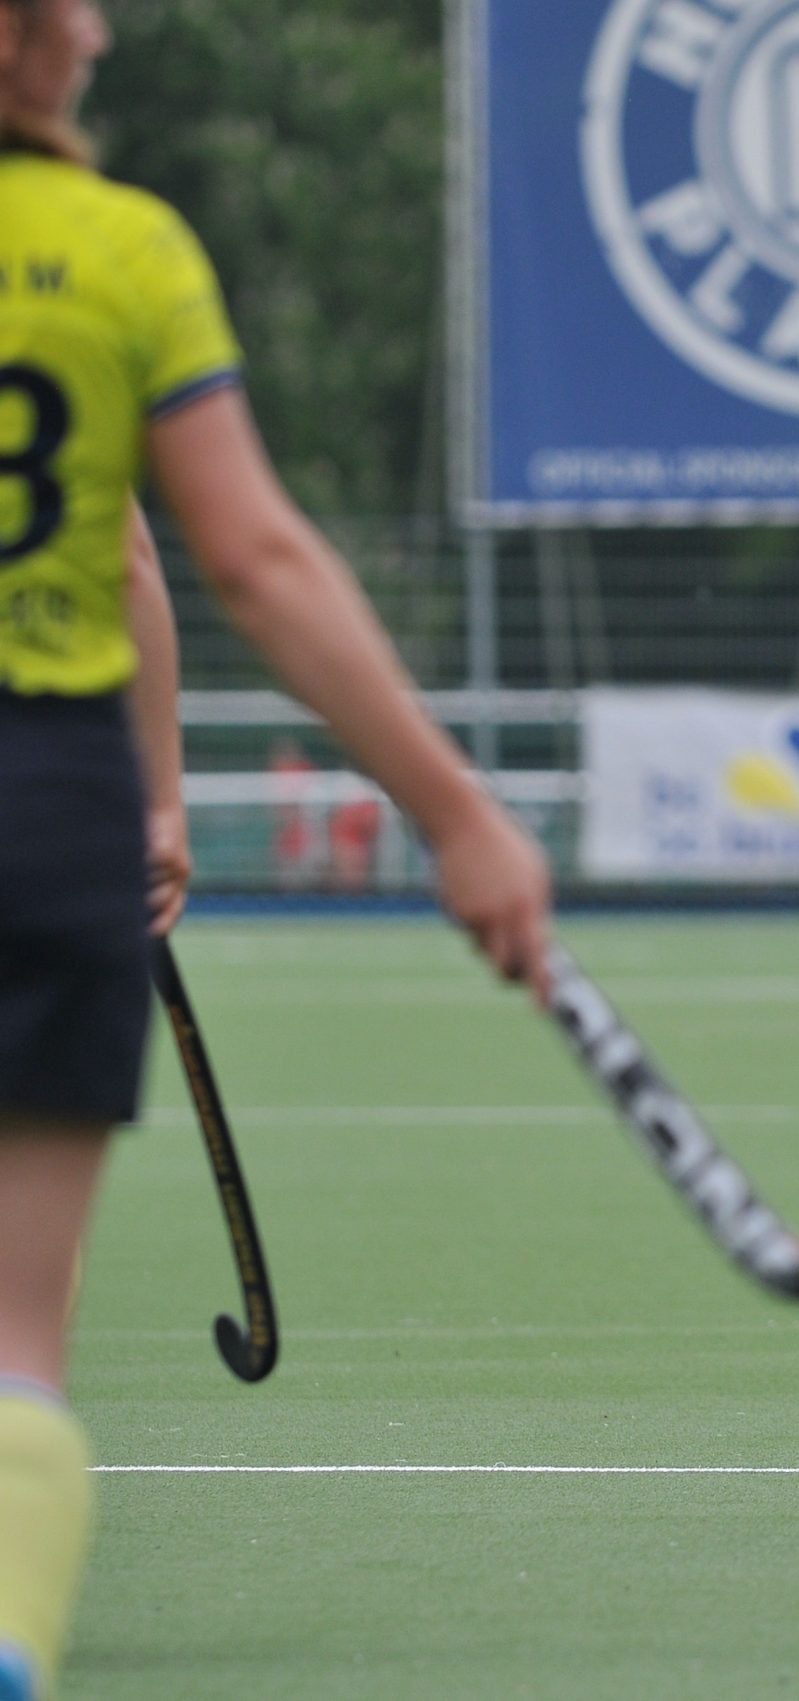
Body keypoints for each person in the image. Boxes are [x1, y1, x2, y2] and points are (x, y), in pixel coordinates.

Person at [0, 6, 552, 1695]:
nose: (102, 29)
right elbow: (225, 559)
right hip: (47, 792)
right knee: (17, 1318)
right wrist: (446, 810)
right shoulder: (122, 250)